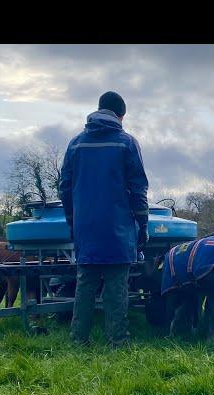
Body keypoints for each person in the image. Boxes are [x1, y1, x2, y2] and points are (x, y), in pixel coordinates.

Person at [59, 91, 149, 347]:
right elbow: (138, 188)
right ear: (122, 115)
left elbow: (65, 187)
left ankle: (78, 340)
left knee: (85, 285)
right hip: (118, 228)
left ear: (98, 109)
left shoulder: (76, 144)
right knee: (116, 287)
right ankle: (118, 341)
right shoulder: (126, 143)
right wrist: (143, 224)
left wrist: (72, 222)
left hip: (85, 227)